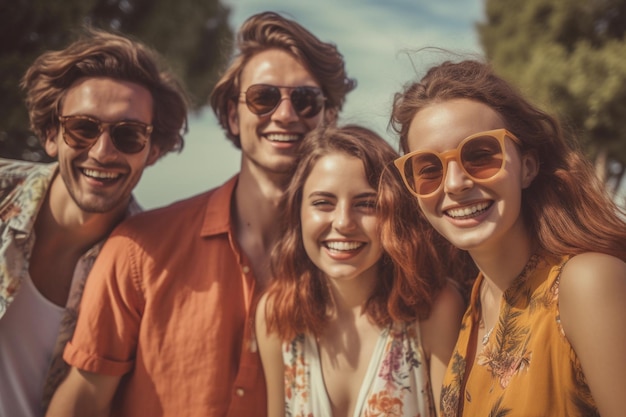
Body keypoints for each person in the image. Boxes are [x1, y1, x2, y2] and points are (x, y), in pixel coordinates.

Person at [46, 11, 355, 417]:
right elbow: (83, 401)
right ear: (231, 114)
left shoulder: (357, 263)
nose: (284, 114)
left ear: (328, 118)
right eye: (263, 98)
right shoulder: (138, 249)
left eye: (306, 100)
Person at [388, 59, 626, 417]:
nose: (454, 184)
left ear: (527, 167)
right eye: (429, 169)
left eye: (481, 155)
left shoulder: (587, 283)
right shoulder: (475, 298)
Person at [0, 28, 188, 417]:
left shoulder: (153, 273)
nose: (102, 152)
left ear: (152, 151)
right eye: (83, 128)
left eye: (128, 135)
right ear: (52, 135)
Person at [255, 124, 465, 417]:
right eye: (323, 203)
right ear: (297, 211)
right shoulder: (277, 313)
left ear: (393, 212)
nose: (343, 222)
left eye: (366, 204)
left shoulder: (435, 309)